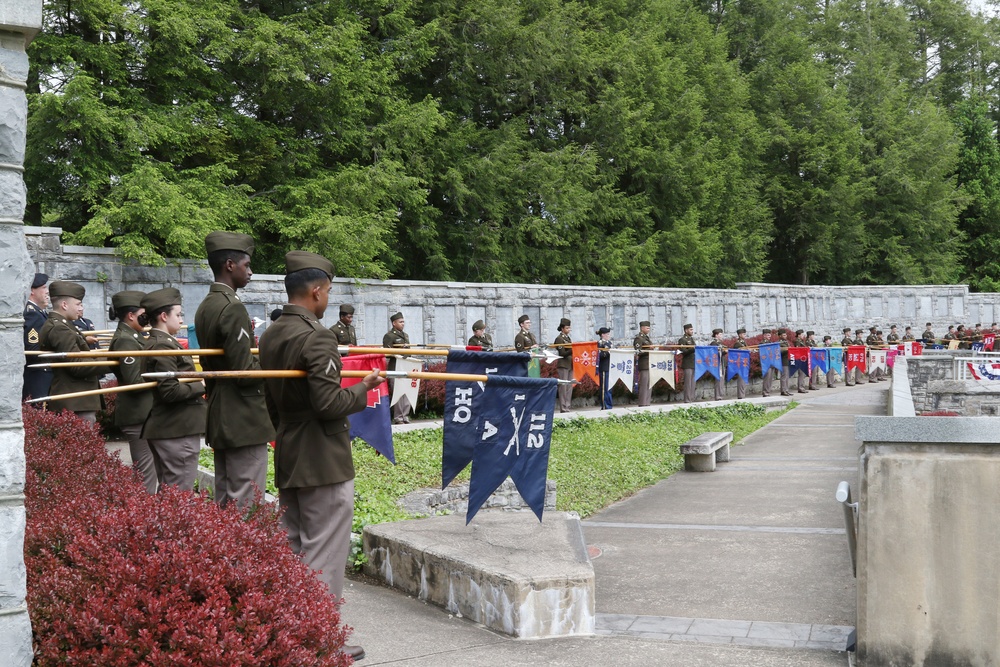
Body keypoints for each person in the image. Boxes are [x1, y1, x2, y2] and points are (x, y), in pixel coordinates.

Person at [258, 251, 382, 663]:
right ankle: (320, 638)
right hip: (323, 458)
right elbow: (329, 403)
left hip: (292, 451)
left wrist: (285, 432)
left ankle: (292, 629)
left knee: (296, 546)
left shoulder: (272, 333)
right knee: (324, 552)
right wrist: (363, 387)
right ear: (316, 291)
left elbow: (271, 401)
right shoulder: (318, 335)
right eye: (327, 291)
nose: (328, 298)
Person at [194, 231, 276, 509]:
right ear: (230, 265)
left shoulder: (206, 305)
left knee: (225, 495)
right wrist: (271, 369)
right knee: (246, 500)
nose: (250, 272)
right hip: (243, 417)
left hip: (221, 410)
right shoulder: (232, 308)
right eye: (246, 265)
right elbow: (243, 371)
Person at [140, 288, 206, 492]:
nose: (181, 319)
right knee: (179, 497)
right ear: (163, 316)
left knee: (171, 494)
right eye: (178, 314)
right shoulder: (162, 346)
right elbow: (169, 391)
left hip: (172, 428)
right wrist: (201, 385)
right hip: (176, 429)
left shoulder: (164, 342)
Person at [108, 290, 157, 494]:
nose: (147, 317)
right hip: (138, 415)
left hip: (143, 414)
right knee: (145, 472)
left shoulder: (134, 336)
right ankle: (142, 515)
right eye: (143, 313)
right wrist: (162, 375)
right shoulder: (126, 340)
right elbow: (134, 380)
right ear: (131, 315)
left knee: (149, 469)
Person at [38, 280, 106, 421]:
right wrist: (113, 361)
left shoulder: (64, 325)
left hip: (77, 399)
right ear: (64, 305)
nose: (80, 308)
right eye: (78, 304)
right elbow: (77, 365)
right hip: (74, 400)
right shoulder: (59, 328)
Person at [23, 272, 52, 403]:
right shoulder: (32, 314)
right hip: (38, 376)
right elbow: (33, 350)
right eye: (43, 287)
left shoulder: (40, 313)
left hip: (43, 374)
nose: (47, 292)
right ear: (31, 291)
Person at [383, 312, 411, 424]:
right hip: (395, 365)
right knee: (398, 391)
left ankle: (405, 415)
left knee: (407, 390)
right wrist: (399, 351)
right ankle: (398, 417)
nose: (403, 324)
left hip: (406, 364)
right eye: (400, 322)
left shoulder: (406, 335)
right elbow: (387, 353)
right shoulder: (389, 336)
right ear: (394, 323)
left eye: (403, 321)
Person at [554, 318, 573, 413]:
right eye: (567, 328)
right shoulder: (559, 339)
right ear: (562, 328)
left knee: (569, 387)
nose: (569, 329)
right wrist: (573, 350)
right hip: (563, 364)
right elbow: (562, 353)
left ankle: (568, 406)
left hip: (570, 365)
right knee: (563, 387)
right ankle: (563, 407)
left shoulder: (568, 338)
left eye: (569, 328)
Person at [633, 321, 652, 407]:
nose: (649, 329)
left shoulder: (646, 338)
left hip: (649, 363)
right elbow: (638, 351)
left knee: (649, 384)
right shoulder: (639, 338)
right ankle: (642, 403)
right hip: (644, 363)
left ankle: (647, 402)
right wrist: (649, 349)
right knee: (644, 384)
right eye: (647, 328)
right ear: (642, 328)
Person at [679, 323, 696, 402]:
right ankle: (687, 399)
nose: (692, 331)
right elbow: (683, 351)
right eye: (691, 329)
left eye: (692, 329)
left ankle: (691, 398)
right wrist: (692, 349)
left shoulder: (691, 339)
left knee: (693, 383)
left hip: (693, 363)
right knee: (688, 383)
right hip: (687, 363)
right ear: (686, 330)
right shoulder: (683, 340)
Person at [597, 327, 613, 409]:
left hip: (610, 367)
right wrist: (607, 352)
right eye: (607, 334)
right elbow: (599, 355)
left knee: (609, 388)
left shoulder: (609, 343)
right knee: (604, 388)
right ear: (602, 335)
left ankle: (609, 404)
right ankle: (604, 405)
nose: (608, 336)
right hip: (604, 367)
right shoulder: (599, 343)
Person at [709, 328, 726, 400]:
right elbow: (713, 353)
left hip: (722, 362)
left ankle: (720, 394)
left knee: (721, 379)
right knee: (718, 379)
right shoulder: (714, 343)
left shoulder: (720, 343)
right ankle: (717, 395)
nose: (721, 336)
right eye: (720, 334)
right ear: (716, 335)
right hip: (717, 363)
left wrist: (725, 351)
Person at [732, 328, 748, 399]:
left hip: (744, 362)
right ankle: (741, 395)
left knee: (743, 379)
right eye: (743, 334)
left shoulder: (743, 342)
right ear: (740, 335)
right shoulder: (737, 343)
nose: (745, 335)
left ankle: (743, 394)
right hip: (740, 363)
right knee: (741, 379)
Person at [759, 328, 773, 397]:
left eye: (770, 335)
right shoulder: (762, 343)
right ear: (764, 336)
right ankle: (765, 391)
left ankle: (768, 391)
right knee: (766, 378)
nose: (769, 336)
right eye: (768, 335)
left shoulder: (771, 343)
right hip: (766, 363)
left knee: (770, 378)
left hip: (771, 363)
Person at [779, 329, 792, 396]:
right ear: (780, 336)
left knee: (787, 376)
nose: (785, 336)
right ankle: (783, 390)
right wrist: (786, 349)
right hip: (783, 361)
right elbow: (779, 352)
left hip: (788, 360)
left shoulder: (786, 342)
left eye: (785, 335)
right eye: (783, 335)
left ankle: (786, 390)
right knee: (784, 376)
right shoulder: (779, 343)